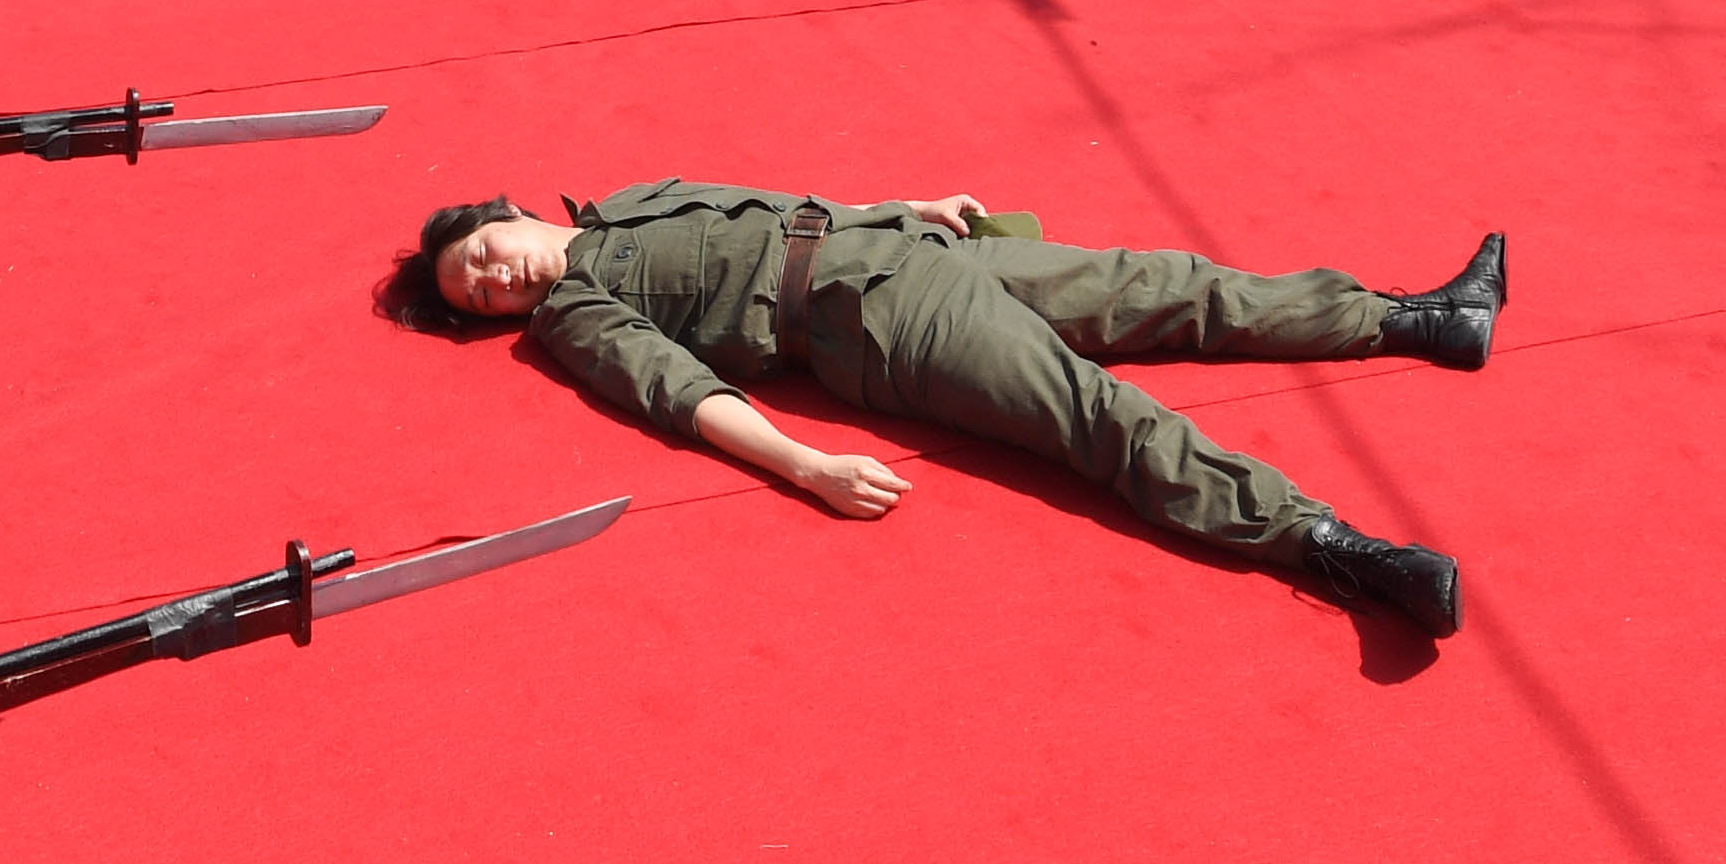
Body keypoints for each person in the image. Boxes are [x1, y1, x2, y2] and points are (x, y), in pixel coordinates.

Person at [396, 184, 1497, 641]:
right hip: (874, 331)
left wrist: (901, 202)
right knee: (1099, 417)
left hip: (906, 248)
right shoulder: (577, 319)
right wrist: (805, 465)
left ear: (506, 210)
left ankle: (1414, 321)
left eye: (482, 256)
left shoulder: (623, 201)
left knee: (1172, 285)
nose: (494, 280)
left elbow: (776, 203)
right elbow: (683, 394)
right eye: (476, 297)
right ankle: (1331, 547)